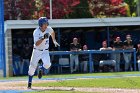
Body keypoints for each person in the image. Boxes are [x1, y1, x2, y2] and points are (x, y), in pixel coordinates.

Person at [27, 17, 60, 89]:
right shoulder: (36, 32)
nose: (46, 25)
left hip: (45, 50)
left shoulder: (48, 29)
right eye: (44, 23)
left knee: (48, 64)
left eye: (46, 23)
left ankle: (41, 68)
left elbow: (52, 32)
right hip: (36, 51)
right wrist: (43, 38)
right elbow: (36, 44)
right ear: (40, 24)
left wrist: (54, 40)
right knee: (32, 68)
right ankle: (29, 83)